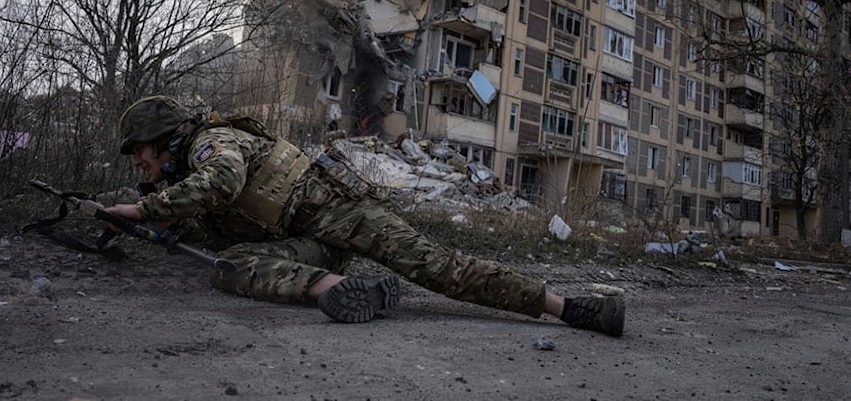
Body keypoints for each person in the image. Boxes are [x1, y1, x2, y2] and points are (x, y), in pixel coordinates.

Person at [103, 95, 625, 336]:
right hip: (312, 246)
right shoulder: (184, 171)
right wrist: (152, 221)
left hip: (344, 215)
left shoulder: (209, 145)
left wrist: (142, 207)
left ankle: (570, 308)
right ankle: (336, 288)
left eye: (141, 151)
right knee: (229, 265)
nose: (140, 162)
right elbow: (217, 224)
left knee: (440, 268)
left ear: (165, 139)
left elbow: (222, 181)